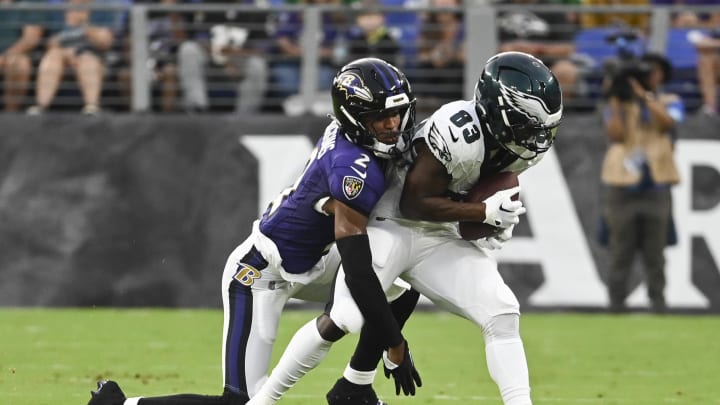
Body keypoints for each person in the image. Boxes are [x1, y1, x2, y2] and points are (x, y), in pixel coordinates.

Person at [85, 57, 420, 405]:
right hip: (259, 273)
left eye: (397, 113)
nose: (393, 124)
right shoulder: (351, 166)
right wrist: (394, 343)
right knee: (238, 402)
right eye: (380, 117)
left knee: (401, 289)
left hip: (314, 260)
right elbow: (358, 270)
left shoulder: (354, 139)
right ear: (355, 120)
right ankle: (119, 404)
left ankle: (356, 386)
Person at [248, 51, 563, 405]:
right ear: (498, 112)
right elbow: (412, 203)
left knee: (502, 312)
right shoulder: (458, 130)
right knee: (344, 317)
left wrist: (494, 219)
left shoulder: (521, 149)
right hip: (391, 224)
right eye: (526, 124)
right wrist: (480, 212)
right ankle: (263, 401)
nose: (535, 137)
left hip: (437, 236)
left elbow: (474, 194)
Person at [600, 53, 683, 313]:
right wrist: (615, 97)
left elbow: (667, 123)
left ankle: (658, 302)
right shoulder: (619, 106)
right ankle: (616, 303)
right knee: (620, 250)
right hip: (622, 186)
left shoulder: (671, 101)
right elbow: (615, 134)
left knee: (655, 253)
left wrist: (644, 96)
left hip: (656, 184)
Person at [26, 0, 127, 115]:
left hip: (94, 55)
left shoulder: (104, 8)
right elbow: (50, 42)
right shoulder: (57, 10)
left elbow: (105, 42)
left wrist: (84, 24)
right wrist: (66, 53)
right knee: (53, 56)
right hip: (62, 54)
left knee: (86, 59)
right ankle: (41, 106)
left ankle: (92, 107)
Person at [176, 0, 270, 113]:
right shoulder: (208, 6)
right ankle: (197, 107)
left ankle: (245, 118)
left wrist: (233, 55)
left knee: (257, 64)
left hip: (240, 61)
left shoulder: (255, 9)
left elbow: (261, 50)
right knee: (188, 49)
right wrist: (224, 60)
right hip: (211, 58)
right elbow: (200, 40)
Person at [0, 0, 50, 112]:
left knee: (19, 63)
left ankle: (10, 115)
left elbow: (31, 38)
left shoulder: (31, 3)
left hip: (16, 55)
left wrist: (4, 56)